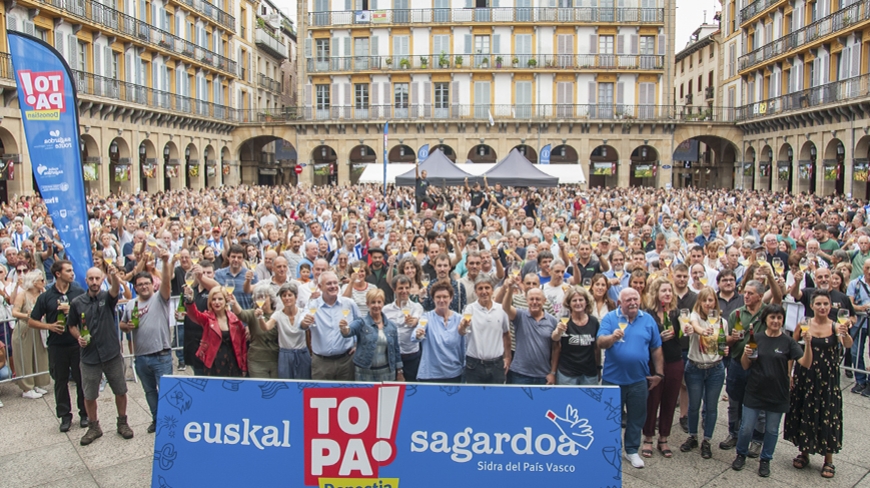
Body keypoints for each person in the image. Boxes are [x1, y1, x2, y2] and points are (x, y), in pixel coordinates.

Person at [731, 304, 804, 478]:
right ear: (765, 320)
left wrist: (808, 343)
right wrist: (746, 353)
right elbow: (745, 364)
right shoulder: (756, 338)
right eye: (772, 317)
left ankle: (765, 459)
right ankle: (741, 454)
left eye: (779, 318)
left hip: (777, 394)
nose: (776, 321)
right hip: (755, 390)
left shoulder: (788, 342)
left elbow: (805, 362)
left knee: (771, 430)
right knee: (746, 427)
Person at [785, 290, 851, 479]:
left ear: (830, 306)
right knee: (805, 410)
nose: (822, 307)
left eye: (826, 304)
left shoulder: (836, 326)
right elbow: (792, 347)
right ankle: (804, 452)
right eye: (818, 304)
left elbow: (847, 344)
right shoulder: (804, 324)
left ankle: (828, 460)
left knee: (827, 415)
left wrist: (845, 334)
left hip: (827, 380)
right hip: (805, 376)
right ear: (812, 306)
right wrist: (789, 373)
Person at [597, 287, 664, 469]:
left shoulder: (648, 319)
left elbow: (656, 348)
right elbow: (600, 342)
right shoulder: (611, 318)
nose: (633, 302)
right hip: (613, 379)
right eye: (628, 300)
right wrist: (612, 337)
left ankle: (632, 451)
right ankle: (610, 449)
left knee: (636, 417)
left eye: (635, 299)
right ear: (620, 303)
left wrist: (659, 373)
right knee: (611, 418)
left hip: (638, 380)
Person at [67, 265, 133, 446]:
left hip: (111, 353)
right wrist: (78, 337)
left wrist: (113, 275)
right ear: (86, 281)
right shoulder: (77, 302)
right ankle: (94, 426)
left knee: (120, 390)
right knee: (89, 395)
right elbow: (71, 325)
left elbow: (114, 290)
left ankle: (122, 422)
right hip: (89, 357)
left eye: (97, 278)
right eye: (91, 279)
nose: (94, 282)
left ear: (102, 279)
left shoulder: (107, 297)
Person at [28, 259, 87, 432]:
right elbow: (31, 321)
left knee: (81, 379)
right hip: (57, 345)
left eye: (72, 270)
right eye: (68, 270)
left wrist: (73, 311)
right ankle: (65, 416)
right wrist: (49, 326)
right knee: (60, 381)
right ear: (58, 274)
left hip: (76, 343)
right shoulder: (46, 296)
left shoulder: (77, 291)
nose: (72, 273)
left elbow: (88, 313)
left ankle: (84, 413)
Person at [119, 258, 173, 435]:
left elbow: (166, 282)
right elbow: (122, 324)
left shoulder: (160, 298)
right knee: (149, 392)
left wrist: (165, 263)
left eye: (147, 283)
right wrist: (126, 327)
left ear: (152, 285)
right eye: (140, 284)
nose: (144, 286)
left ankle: (169, 421)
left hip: (161, 354)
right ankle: (157, 420)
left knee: (166, 391)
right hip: (141, 357)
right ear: (135, 287)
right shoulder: (130, 304)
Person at [680, 287, 726, 459]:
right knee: (693, 406)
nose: (708, 303)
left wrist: (725, 347)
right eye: (704, 300)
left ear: (715, 302)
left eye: (711, 300)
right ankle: (692, 436)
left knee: (711, 407)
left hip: (715, 369)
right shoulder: (694, 317)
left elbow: (721, 345)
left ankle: (707, 440)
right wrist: (701, 331)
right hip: (695, 368)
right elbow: (694, 326)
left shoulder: (722, 322)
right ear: (699, 302)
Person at [641, 278, 682, 459]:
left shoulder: (677, 314)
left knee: (670, 400)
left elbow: (682, 339)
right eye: (664, 290)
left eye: (669, 291)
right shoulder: (647, 315)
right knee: (652, 401)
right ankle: (648, 437)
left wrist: (685, 331)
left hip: (674, 361)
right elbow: (643, 338)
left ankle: (664, 437)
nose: (667, 294)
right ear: (656, 293)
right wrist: (659, 337)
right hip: (654, 363)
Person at [301, 271, 361, 381]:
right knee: (321, 396)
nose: (333, 286)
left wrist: (357, 344)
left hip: (346, 361)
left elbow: (360, 325)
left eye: (335, 283)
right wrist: (305, 322)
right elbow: (301, 324)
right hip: (321, 363)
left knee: (347, 395)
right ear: (320, 286)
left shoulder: (349, 303)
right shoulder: (312, 305)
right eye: (329, 284)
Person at [502, 274, 559, 385]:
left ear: (544, 301)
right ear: (526, 300)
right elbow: (506, 307)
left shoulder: (552, 320)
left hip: (543, 375)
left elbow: (556, 349)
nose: (534, 302)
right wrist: (510, 289)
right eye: (531, 299)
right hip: (519, 374)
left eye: (538, 299)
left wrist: (553, 372)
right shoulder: (520, 316)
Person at [340, 288, 404, 381]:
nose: (376, 305)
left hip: (387, 372)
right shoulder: (361, 322)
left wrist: (399, 371)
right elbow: (348, 332)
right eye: (373, 302)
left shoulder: (392, 326)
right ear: (367, 304)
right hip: (364, 372)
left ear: (383, 303)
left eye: (379, 302)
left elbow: (396, 350)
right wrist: (344, 328)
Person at [185, 286, 248, 377]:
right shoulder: (207, 318)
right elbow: (194, 315)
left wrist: (244, 367)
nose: (217, 302)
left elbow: (243, 346)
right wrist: (190, 301)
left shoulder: (235, 320)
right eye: (214, 299)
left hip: (233, 363)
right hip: (213, 364)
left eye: (220, 299)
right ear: (210, 302)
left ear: (226, 300)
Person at [413, 279, 467, 383]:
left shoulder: (459, 318)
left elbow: (463, 346)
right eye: (438, 297)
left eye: (445, 297)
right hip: (430, 375)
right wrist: (418, 334)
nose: (441, 300)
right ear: (433, 299)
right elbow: (415, 336)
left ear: (451, 298)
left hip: (454, 374)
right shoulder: (426, 317)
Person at [463, 275, 511, 384]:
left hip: (497, 364)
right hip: (474, 365)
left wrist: (507, 357)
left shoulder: (501, 309)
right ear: (475, 292)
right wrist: (463, 326)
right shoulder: (469, 309)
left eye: (487, 288)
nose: (484, 291)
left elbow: (506, 335)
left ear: (492, 290)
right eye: (480, 288)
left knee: (497, 399)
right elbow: (462, 331)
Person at [10, 269, 50, 399]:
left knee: (39, 356)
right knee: (25, 357)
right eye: (41, 280)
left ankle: (38, 383)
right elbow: (14, 312)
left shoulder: (42, 293)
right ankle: (27, 388)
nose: (44, 282)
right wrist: (27, 315)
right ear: (33, 282)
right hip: (25, 328)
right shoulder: (23, 295)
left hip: (38, 328)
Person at [258, 283, 310, 379]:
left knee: (304, 384)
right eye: (284, 295)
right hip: (285, 354)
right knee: (286, 385)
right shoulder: (277, 315)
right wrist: (260, 318)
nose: (287, 298)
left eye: (290, 295)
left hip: (302, 353)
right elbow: (266, 327)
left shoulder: (303, 312)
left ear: (296, 297)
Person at [552, 286, 599, 385]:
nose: (578, 303)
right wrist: (558, 331)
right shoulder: (564, 321)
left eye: (581, 300)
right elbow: (555, 338)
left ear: (586, 302)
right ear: (569, 303)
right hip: (567, 373)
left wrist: (598, 367)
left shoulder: (594, 322)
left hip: (589, 374)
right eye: (574, 300)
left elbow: (596, 348)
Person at [231, 282, 279, 378]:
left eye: (264, 297)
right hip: (257, 360)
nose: (261, 300)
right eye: (258, 298)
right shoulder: (253, 314)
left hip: (276, 360)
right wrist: (234, 302)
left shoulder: (278, 315)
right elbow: (241, 314)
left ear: (271, 299)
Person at [383, 275, 423, 381]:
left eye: (407, 287)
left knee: (412, 390)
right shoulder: (386, 310)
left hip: (411, 356)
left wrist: (415, 322)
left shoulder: (417, 307)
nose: (404, 291)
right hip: (392, 357)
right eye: (401, 288)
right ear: (394, 290)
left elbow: (419, 322)